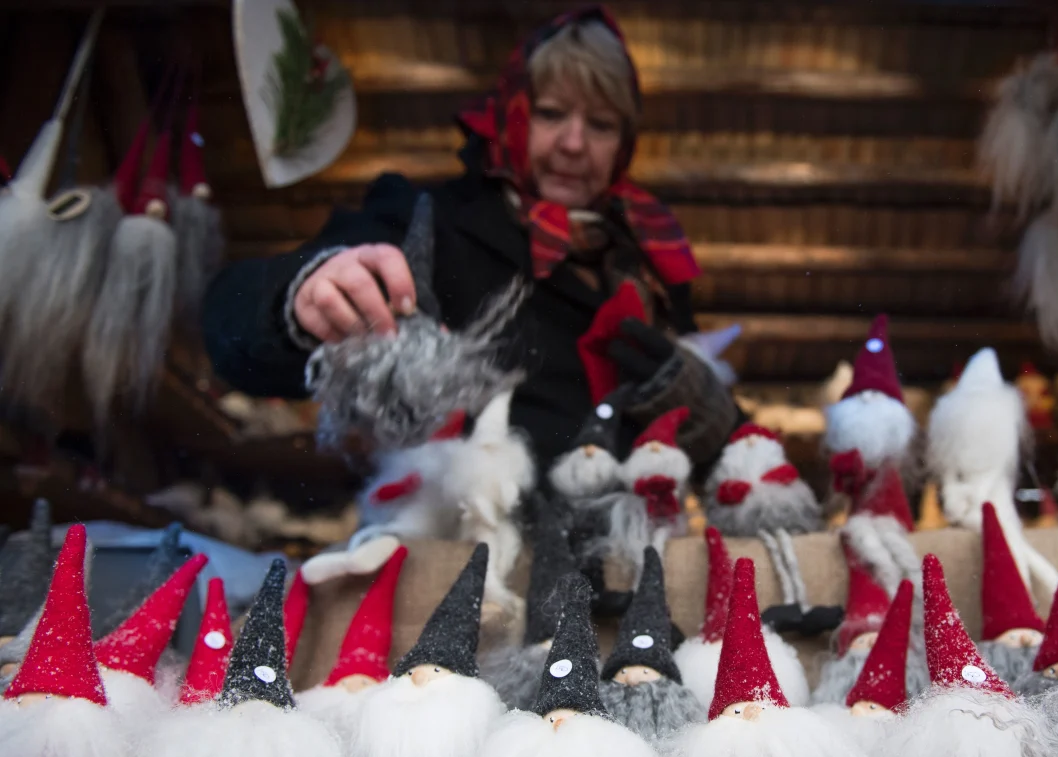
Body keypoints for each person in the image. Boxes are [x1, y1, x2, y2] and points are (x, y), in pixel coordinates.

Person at [203, 7, 739, 479]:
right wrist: (301, 298)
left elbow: (723, 452)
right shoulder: (430, 222)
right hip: (463, 562)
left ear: (623, 144)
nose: (575, 144)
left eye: (601, 125)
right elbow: (233, 328)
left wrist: (713, 415)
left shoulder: (648, 266)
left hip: (620, 563)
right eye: (551, 114)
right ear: (512, 115)